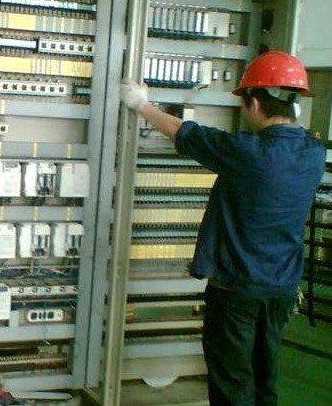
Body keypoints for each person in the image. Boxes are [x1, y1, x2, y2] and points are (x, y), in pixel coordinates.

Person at [120, 51, 325, 406]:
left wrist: (141, 105)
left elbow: (184, 133)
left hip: (237, 291)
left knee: (232, 382)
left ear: (254, 103)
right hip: (281, 289)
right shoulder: (314, 153)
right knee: (264, 378)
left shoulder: (248, 153)